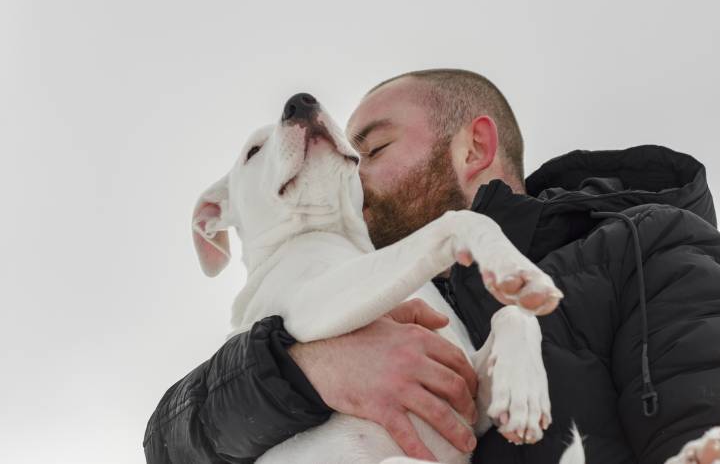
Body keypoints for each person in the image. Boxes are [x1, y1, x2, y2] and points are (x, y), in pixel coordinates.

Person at [143, 69, 720, 464]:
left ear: (473, 150)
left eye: (371, 151)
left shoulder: (647, 248)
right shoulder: (315, 296)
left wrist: (515, 326)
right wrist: (309, 370)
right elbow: (167, 443)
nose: (354, 175)